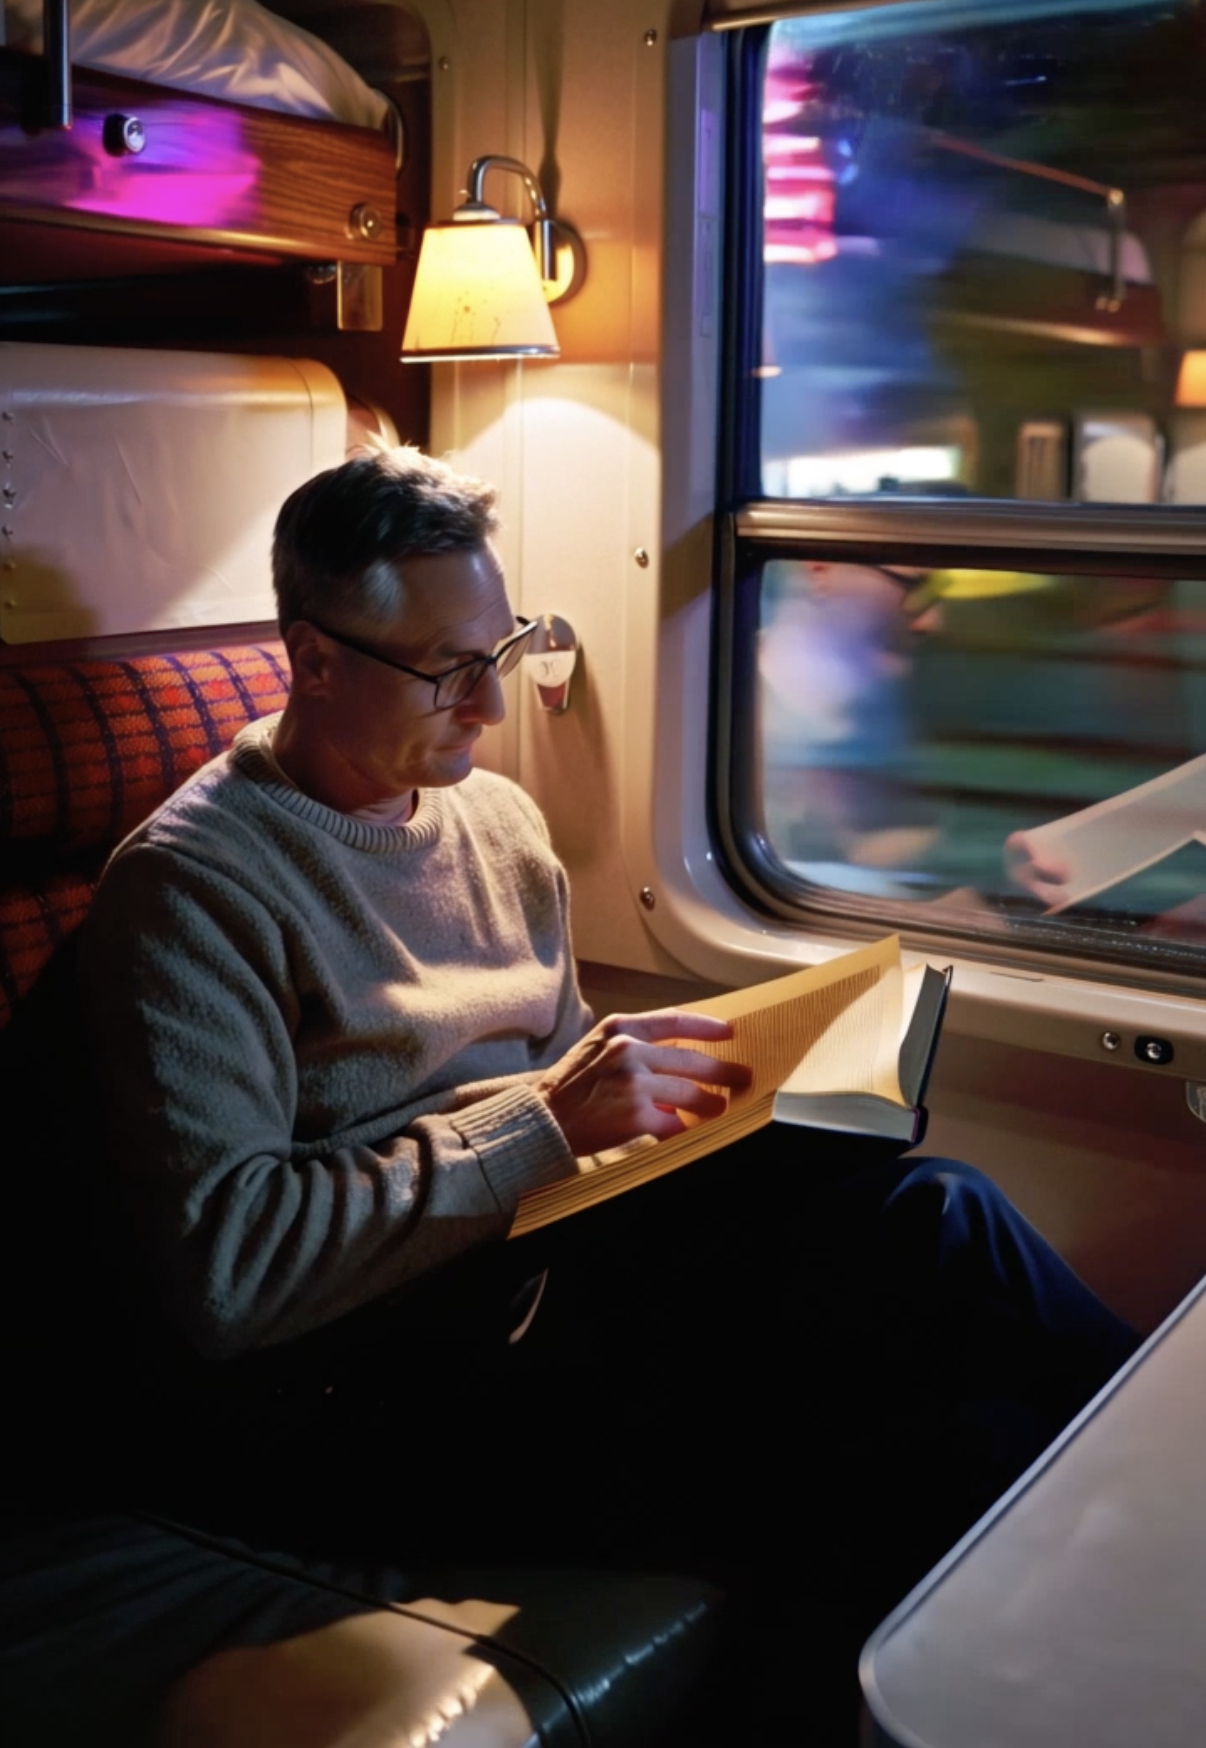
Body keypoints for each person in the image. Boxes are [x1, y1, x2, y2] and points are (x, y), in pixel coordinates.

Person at [27, 447, 1137, 1742]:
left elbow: (547, 1108)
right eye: (447, 670)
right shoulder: (191, 890)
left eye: (500, 650)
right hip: (375, 1392)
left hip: (541, 1285)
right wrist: (550, 1120)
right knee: (919, 1339)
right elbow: (233, 1271)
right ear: (314, 658)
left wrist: (682, 1107)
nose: (490, 705)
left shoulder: (497, 825)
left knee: (925, 1253)